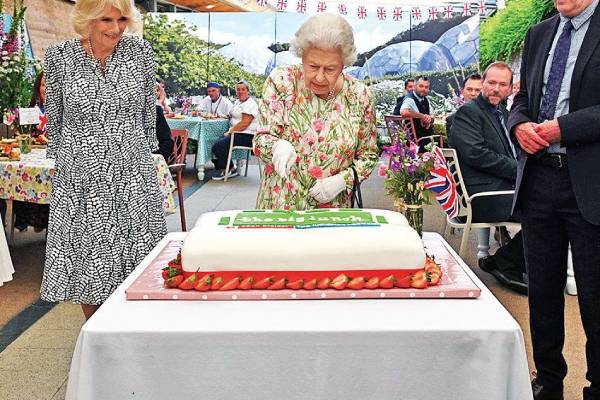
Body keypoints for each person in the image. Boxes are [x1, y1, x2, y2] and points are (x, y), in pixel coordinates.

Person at [41, 0, 167, 320]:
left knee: (134, 251)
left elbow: (146, 115)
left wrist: (144, 155)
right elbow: (55, 119)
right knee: (88, 258)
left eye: (122, 18)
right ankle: (98, 333)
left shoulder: (141, 54)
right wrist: (64, 161)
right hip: (80, 172)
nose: (115, 27)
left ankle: (133, 328)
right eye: (105, 19)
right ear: (87, 19)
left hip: (130, 167)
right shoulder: (59, 58)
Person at [507, 0, 600, 398]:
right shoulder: (539, 33)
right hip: (538, 180)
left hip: (589, 184)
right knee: (542, 292)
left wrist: (562, 128)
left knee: (595, 297)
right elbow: (521, 100)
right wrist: (520, 125)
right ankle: (548, 380)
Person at [253, 13, 378, 210]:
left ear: (344, 64)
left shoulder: (360, 96)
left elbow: (368, 155)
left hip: (332, 210)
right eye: (312, 66)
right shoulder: (282, 82)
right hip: (280, 205)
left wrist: (343, 180)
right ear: (301, 56)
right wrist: (276, 146)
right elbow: (261, 139)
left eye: (330, 69)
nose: (319, 77)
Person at [448, 62, 527, 295]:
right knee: (547, 211)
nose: (496, 89)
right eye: (491, 82)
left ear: (511, 88)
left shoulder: (501, 112)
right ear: (483, 83)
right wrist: (520, 171)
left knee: (551, 200)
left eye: (502, 84)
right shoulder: (468, 112)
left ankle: (501, 260)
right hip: (482, 196)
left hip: (502, 187)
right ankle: (507, 262)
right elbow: (477, 155)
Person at [13, 71, 51, 233]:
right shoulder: (32, 109)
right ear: (38, 87)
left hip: (52, 159)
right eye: (43, 85)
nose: (46, 89)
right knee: (24, 177)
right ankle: (27, 219)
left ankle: (46, 222)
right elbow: (23, 134)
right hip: (33, 159)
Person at [211, 80, 259, 180]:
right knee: (215, 142)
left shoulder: (251, 104)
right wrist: (223, 116)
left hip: (247, 136)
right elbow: (232, 115)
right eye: (238, 90)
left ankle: (228, 169)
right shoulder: (238, 102)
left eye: (243, 89)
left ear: (248, 91)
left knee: (219, 146)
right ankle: (229, 169)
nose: (240, 91)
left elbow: (244, 123)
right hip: (237, 133)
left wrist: (230, 131)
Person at [400, 76, 434, 151]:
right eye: (421, 86)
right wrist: (422, 116)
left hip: (426, 139)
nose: (424, 89)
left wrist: (429, 118)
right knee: (446, 142)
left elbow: (432, 115)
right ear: (415, 86)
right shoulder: (409, 99)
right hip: (415, 142)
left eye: (426, 87)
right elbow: (404, 112)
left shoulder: (426, 100)